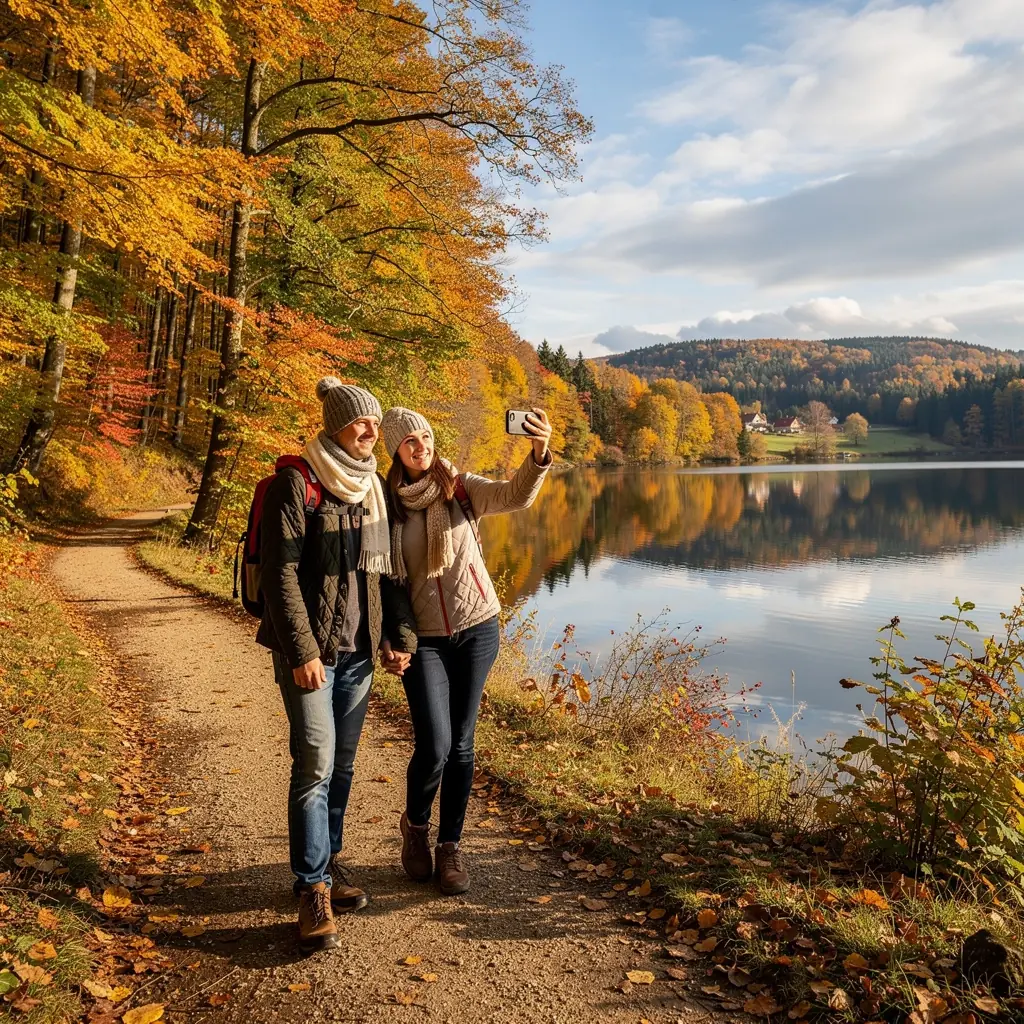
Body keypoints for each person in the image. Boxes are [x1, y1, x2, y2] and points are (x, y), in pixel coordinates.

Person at [257, 377, 417, 952]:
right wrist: (300, 650)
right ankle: (311, 888)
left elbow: (389, 574)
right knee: (315, 764)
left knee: (343, 766)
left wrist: (399, 634)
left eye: (375, 422)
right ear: (335, 425)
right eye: (360, 422)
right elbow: (280, 574)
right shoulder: (295, 485)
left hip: (358, 656)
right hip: (311, 654)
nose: (371, 431)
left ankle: (330, 863)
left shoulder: (371, 487)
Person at [381, 406, 552, 895]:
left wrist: (538, 453)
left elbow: (514, 496)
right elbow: (383, 578)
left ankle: (450, 846)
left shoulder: (459, 487)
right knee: (433, 745)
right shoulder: (388, 503)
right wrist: (390, 636)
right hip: (425, 639)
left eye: (426, 436)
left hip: (478, 627)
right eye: (410, 440)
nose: (422, 446)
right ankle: (415, 826)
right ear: (395, 448)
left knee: (461, 745)